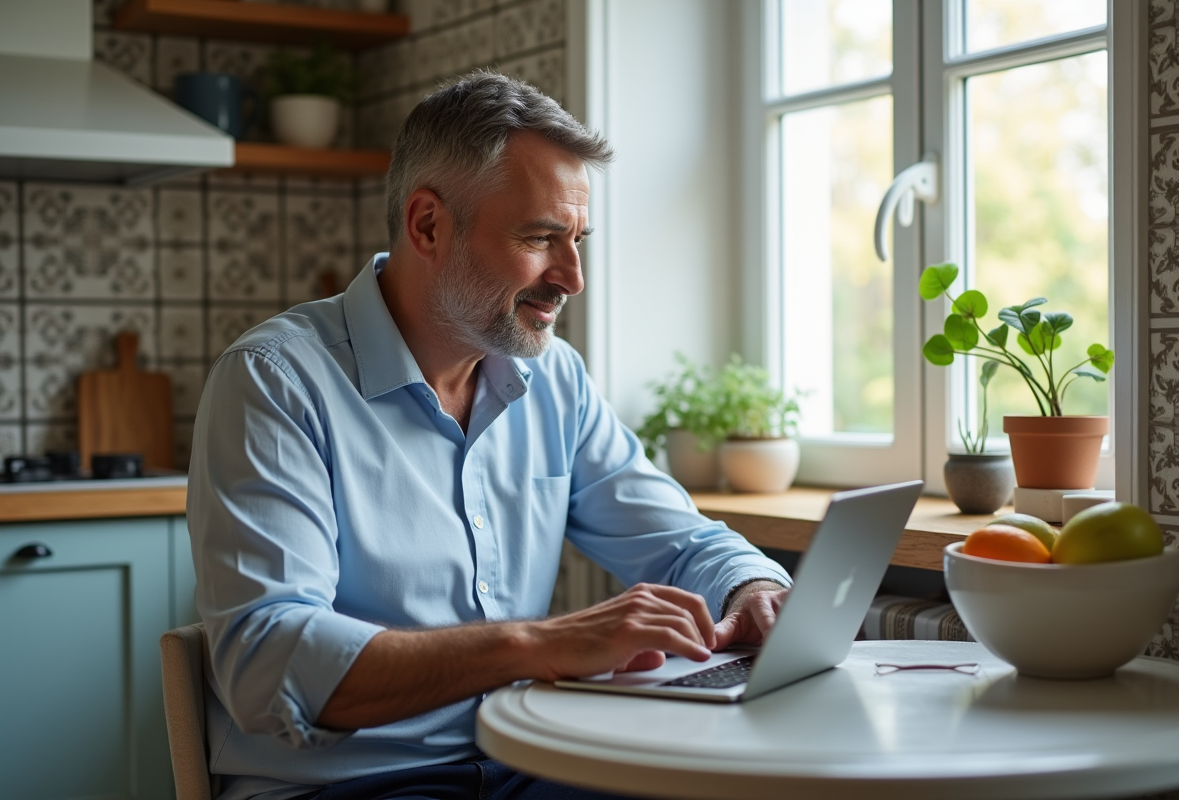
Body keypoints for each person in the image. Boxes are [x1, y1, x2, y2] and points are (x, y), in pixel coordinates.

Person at [188, 70, 792, 800]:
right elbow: (268, 662)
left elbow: (681, 540)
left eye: (578, 240)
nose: (571, 276)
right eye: (540, 237)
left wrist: (753, 584)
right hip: (348, 784)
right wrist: (539, 644)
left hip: (524, 766)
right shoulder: (276, 381)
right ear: (428, 226)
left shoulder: (555, 380)